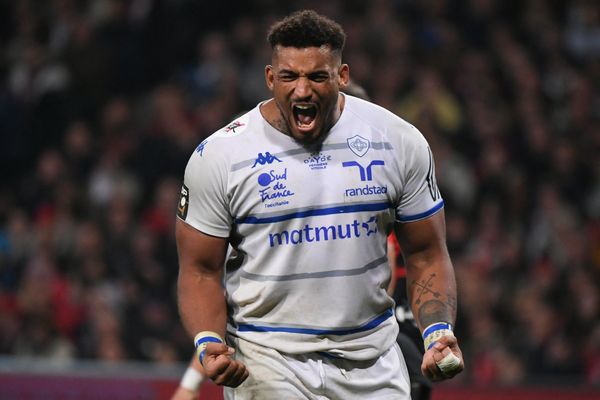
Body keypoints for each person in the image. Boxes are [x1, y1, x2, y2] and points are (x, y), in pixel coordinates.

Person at [175, 9, 463, 399]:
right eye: (289, 76)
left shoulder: (398, 141)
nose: (302, 91)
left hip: (373, 362)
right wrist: (208, 343)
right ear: (270, 78)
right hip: (269, 361)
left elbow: (427, 252)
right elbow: (200, 270)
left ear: (342, 76)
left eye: (316, 76)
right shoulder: (220, 156)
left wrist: (438, 331)